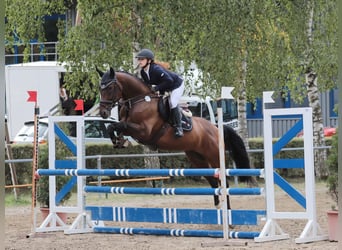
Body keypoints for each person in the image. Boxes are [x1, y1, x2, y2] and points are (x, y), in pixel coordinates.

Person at [136, 48, 184, 138]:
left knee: (172, 102)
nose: (140, 61)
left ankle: (179, 127)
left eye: (142, 59)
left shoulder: (156, 69)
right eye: (139, 59)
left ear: (149, 60)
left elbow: (169, 81)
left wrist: (157, 88)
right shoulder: (143, 72)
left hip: (176, 84)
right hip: (165, 87)